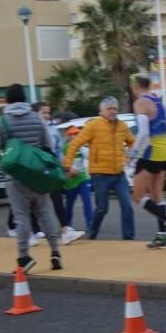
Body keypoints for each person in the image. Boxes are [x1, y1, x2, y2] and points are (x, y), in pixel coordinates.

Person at [0, 84, 63, 272]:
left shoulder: (2, 122)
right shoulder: (38, 120)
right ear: (24, 98)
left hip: (15, 177)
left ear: (8, 100)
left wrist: (7, 162)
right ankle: (55, 252)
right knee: (46, 213)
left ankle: (24, 258)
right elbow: (49, 146)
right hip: (39, 175)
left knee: (21, 217)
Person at [63, 97, 135, 240]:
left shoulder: (122, 126)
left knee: (127, 206)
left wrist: (128, 156)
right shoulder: (93, 126)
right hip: (100, 175)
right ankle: (93, 233)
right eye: (109, 109)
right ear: (101, 111)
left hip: (119, 174)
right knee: (102, 208)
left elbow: (132, 142)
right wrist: (67, 165)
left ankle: (129, 238)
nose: (113, 111)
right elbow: (75, 144)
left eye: (115, 108)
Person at [127, 76, 166, 249]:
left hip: (150, 151)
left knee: (137, 196)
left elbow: (144, 132)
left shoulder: (140, 103)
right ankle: (162, 236)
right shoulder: (158, 100)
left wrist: (133, 153)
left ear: (135, 86)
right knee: (157, 195)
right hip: (164, 151)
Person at [32, 101, 85, 245]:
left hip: (51, 168)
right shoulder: (31, 128)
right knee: (34, 200)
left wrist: (66, 167)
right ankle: (32, 230)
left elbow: (58, 150)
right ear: (35, 113)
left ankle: (65, 230)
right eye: (43, 112)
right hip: (35, 169)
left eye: (48, 113)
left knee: (56, 198)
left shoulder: (52, 128)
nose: (47, 116)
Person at [61, 126, 93, 231]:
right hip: (70, 179)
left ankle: (90, 223)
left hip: (82, 177)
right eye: (73, 134)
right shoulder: (65, 147)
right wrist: (69, 169)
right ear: (69, 136)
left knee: (87, 201)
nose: (76, 136)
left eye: (78, 134)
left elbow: (89, 157)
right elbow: (61, 162)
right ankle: (67, 225)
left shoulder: (82, 146)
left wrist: (85, 150)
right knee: (69, 203)